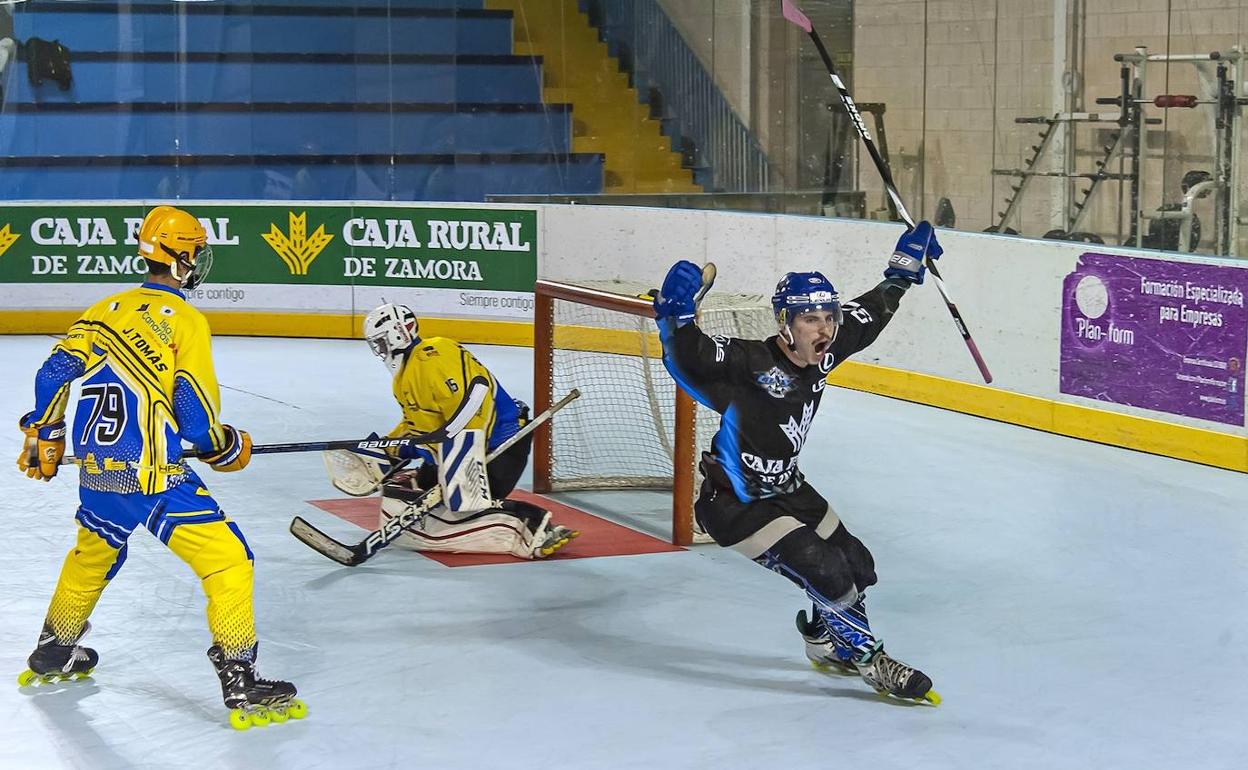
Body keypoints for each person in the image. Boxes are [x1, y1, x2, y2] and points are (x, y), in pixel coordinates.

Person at [16, 205, 303, 729]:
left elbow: (53, 372)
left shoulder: (104, 309)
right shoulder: (186, 320)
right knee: (229, 561)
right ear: (182, 258)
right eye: (196, 251)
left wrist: (46, 431)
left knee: (93, 554)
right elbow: (193, 417)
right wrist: (224, 443)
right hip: (153, 476)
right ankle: (240, 676)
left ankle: (55, 648)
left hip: (99, 473)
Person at [654, 222, 944, 704]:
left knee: (858, 565)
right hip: (735, 501)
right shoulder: (750, 363)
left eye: (827, 316)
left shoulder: (825, 353)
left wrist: (903, 269)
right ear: (784, 323)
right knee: (828, 571)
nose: (824, 327)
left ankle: (821, 636)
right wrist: (676, 320)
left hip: (786, 488)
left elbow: (869, 314)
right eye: (809, 318)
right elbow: (690, 360)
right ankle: (871, 660)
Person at [357, 303, 578, 559]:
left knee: (462, 505)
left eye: (381, 342)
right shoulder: (404, 377)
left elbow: (473, 412)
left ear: (399, 332)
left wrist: (440, 456)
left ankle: (532, 524)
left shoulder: (434, 355)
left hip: (500, 446)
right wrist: (387, 447)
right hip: (462, 446)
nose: (379, 350)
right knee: (410, 491)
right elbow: (420, 427)